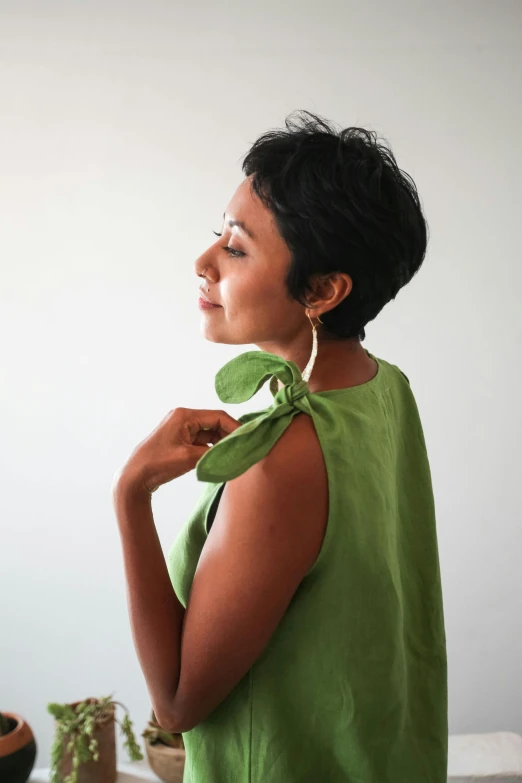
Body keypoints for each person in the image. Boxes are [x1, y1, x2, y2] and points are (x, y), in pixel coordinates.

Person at [163, 110, 448, 782]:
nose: (204, 262)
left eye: (236, 248)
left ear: (322, 290)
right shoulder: (386, 389)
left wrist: (128, 494)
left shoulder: (282, 454)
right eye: (218, 237)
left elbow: (177, 703)